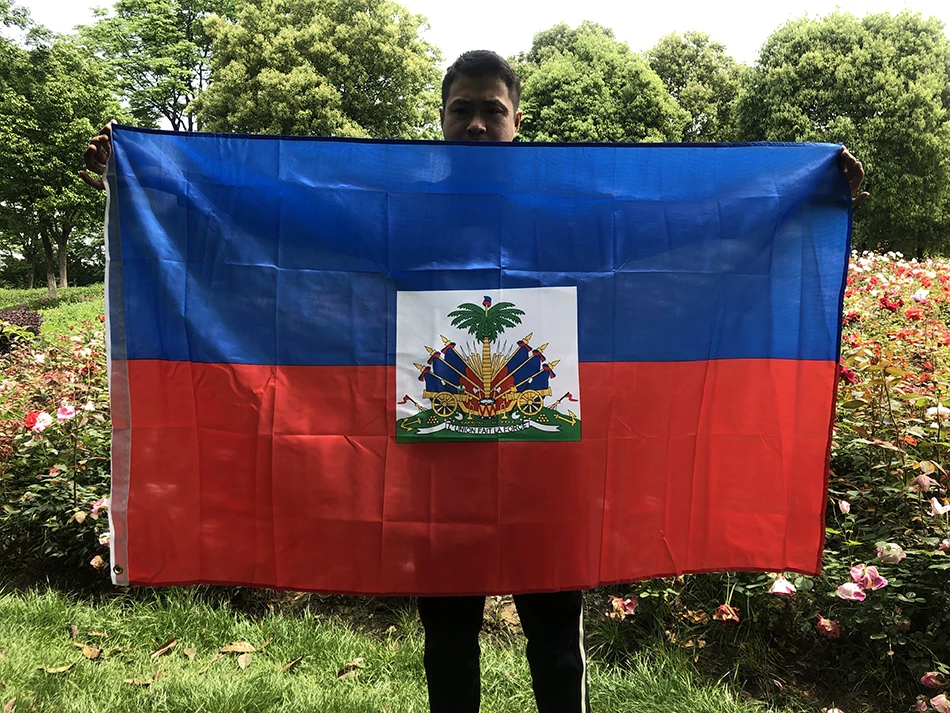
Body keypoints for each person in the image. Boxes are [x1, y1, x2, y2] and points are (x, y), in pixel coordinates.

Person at [80, 49, 868, 713]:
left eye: (492, 109)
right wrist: (142, 176)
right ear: (443, 118)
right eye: (462, 110)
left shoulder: (565, 209)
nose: (477, 123)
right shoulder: (399, 207)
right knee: (447, 642)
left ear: (518, 119)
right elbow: (280, 227)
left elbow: (676, 236)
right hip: (437, 462)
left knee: (557, 641)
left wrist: (810, 191)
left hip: (547, 465)